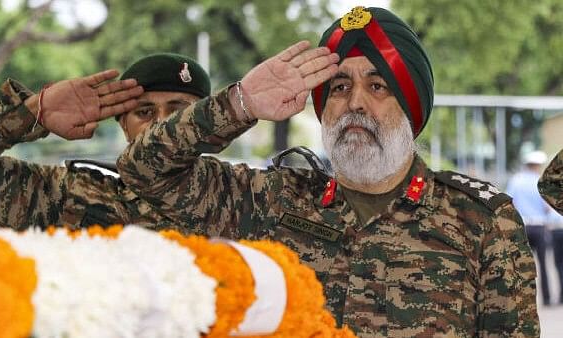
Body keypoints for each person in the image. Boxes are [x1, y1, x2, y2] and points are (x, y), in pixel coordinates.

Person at [116, 6, 538, 337]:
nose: (355, 103)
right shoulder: (273, 199)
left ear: (411, 110)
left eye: (378, 86)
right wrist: (239, 104)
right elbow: (144, 173)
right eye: (339, 87)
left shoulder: (482, 221)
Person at [0, 53, 210, 229]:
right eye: (145, 112)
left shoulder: (241, 194)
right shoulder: (71, 193)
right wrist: (30, 112)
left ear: (210, 125)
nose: (161, 124)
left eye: (179, 113)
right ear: (124, 126)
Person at [507, 150, 552, 305]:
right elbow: (547, 208)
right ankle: (547, 299)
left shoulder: (516, 180)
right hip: (539, 226)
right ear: (538, 165)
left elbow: (510, 203)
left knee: (521, 266)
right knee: (544, 264)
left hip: (523, 226)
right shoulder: (542, 182)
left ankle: (522, 300)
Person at [538, 149, 563, 304]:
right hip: (549, 226)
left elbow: (545, 185)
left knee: (558, 264)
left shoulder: (518, 180)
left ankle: (555, 297)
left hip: (553, 227)